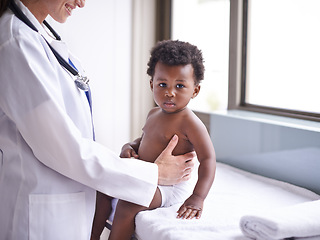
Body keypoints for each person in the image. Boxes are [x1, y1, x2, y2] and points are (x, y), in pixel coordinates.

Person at [0, 1, 195, 239]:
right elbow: (62, 149)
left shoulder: (38, 37)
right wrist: (153, 173)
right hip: (38, 218)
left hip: (62, 206)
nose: (81, 3)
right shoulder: (17, 43)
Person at [91, 40, 217, 240]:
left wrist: (197, 197)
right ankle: (92, 236)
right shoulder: (153, 113)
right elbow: (143, 140)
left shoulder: (191, 123)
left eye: (180, 86)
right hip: (147, 177)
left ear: (195, 90)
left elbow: (209, 159)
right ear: (152, 85)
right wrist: (129, 147)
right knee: (103, 189)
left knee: (128, 204)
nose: (170, 92)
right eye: (162, 84)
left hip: (170, 188)